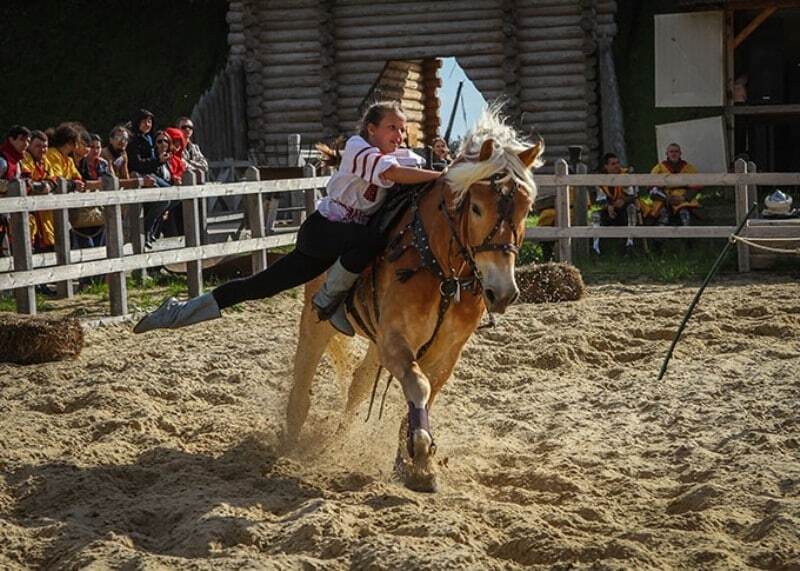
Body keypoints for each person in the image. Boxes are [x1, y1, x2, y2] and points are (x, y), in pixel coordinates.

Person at [134, 101, 443, 336]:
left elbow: (419, 167)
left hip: (343, 238)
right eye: (392, 127)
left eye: (402, 130)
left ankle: (179, 310)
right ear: (372, 129)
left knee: (261, 286)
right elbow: (392, 173)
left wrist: (450, 172)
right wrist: (445, 176)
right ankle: (328, 298)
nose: (399, 135)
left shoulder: (399, 155)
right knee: (371, 241)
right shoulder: (357, 146)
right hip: (324, 232)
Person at [127, 109, 171, 245]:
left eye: (150, 121)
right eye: (145, 121)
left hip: (151, 173)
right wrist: (158, 160)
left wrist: (160, 161)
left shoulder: (149, 138)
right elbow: (137, 164)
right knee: (164, 200)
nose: (148, 124)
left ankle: (152, 229)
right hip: (140, 175)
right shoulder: (134, 140)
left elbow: (151, 162)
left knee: (173, 195)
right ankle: (146, 229)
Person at [592, 152, 641, 255]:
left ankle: (630, 243)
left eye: (617, 163)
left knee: (631, 209)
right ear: (606, 166)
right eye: (613, 164)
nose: (617, 166)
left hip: (625, 207)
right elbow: (600, 199)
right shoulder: (601, 179)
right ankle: (596, 248)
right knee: (595, 215)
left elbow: (633, 195)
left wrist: (623, 201)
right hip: (610, 210)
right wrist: (609, 206)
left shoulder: (625, 175)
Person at [647, 143, 702, 226]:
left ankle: (688, 235)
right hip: (664, 196)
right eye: (671, 151)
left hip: (682, 195)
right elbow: (650, 185)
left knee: (685, 214)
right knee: (662, 213)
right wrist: (667, 199)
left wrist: (684, 197)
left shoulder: (688, 167)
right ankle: (661, 235)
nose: (674, 154)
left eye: (676, 151)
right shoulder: (659, 167)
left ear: (680, 153)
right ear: (667, 154)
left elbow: (697, 184)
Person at [20, 130, 57, 252]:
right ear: (29, 145)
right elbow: (27, 184)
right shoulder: (24, 158)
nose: (42, 149)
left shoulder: (45, 162)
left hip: (45, 218)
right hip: (28, 217)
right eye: (38, 146)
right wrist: (44, 186)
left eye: (45, 146)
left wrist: (45, 185)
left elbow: (53, 182)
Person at [0, 125, 31, 256]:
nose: (26, 144)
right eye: (22, 139)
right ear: (11, 140)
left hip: (8, 215)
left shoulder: (17, 162)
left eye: (28, 140)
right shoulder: (2, 161)